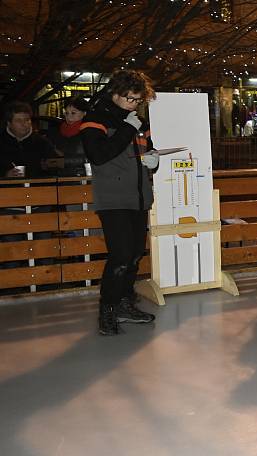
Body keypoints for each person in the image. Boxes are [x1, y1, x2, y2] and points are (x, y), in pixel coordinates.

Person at [80, 70, 158, 336]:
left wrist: (153, 159)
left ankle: (125, 302)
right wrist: (127, 127)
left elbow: (148, 148)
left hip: (138, 197)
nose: (133, 104)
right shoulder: (95, 119)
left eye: (138, 100)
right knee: (121, 256)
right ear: (115, 93)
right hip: (113, 198)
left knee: (135, 255)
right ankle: (108, 310)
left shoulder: (137, 120)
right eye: (130, 99)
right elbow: (99, 155)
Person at [1, 101, 59, 178]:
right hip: (6, 189)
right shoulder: (1, 142)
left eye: (27, 120)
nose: (24, 124)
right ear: (9, 123)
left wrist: (48, 168)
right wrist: (5, 175)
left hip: (37, 188)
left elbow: (57, 170)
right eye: (19, 120)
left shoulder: (42, 142)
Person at [47, 96, 91, 175]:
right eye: (66, 113)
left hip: (82, 178)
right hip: (59, 179)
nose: (69, 116)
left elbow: (92, 158)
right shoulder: (56, 131)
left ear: (84, 113)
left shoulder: (90, 131)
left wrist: (64, 160)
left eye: (73, 113)